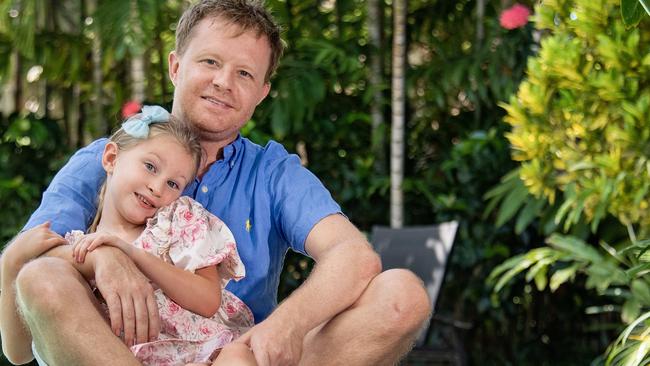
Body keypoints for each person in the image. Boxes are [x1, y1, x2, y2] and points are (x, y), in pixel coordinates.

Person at [13, 0, 431, 365]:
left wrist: (288, 324)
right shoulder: (115, 155)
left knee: (402, 296)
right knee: (43, 278)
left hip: (240, 355)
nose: (223, 82)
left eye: (245, 74)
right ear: (176, 66)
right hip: (118, 351)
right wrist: (103, 257)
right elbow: (28, 265)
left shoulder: (272, 172)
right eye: (210, 62)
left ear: (262, 93)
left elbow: (353, 256)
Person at [2, 106, 261, 365]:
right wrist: (9, 264)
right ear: (111, 158)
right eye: (150, 166)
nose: (157, 187)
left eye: (173, 184)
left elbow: (207, 300)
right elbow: (17, 354)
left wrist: (134, 255)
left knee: (238, 357)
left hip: (199, 356)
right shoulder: (76, 248)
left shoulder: (177, 222)